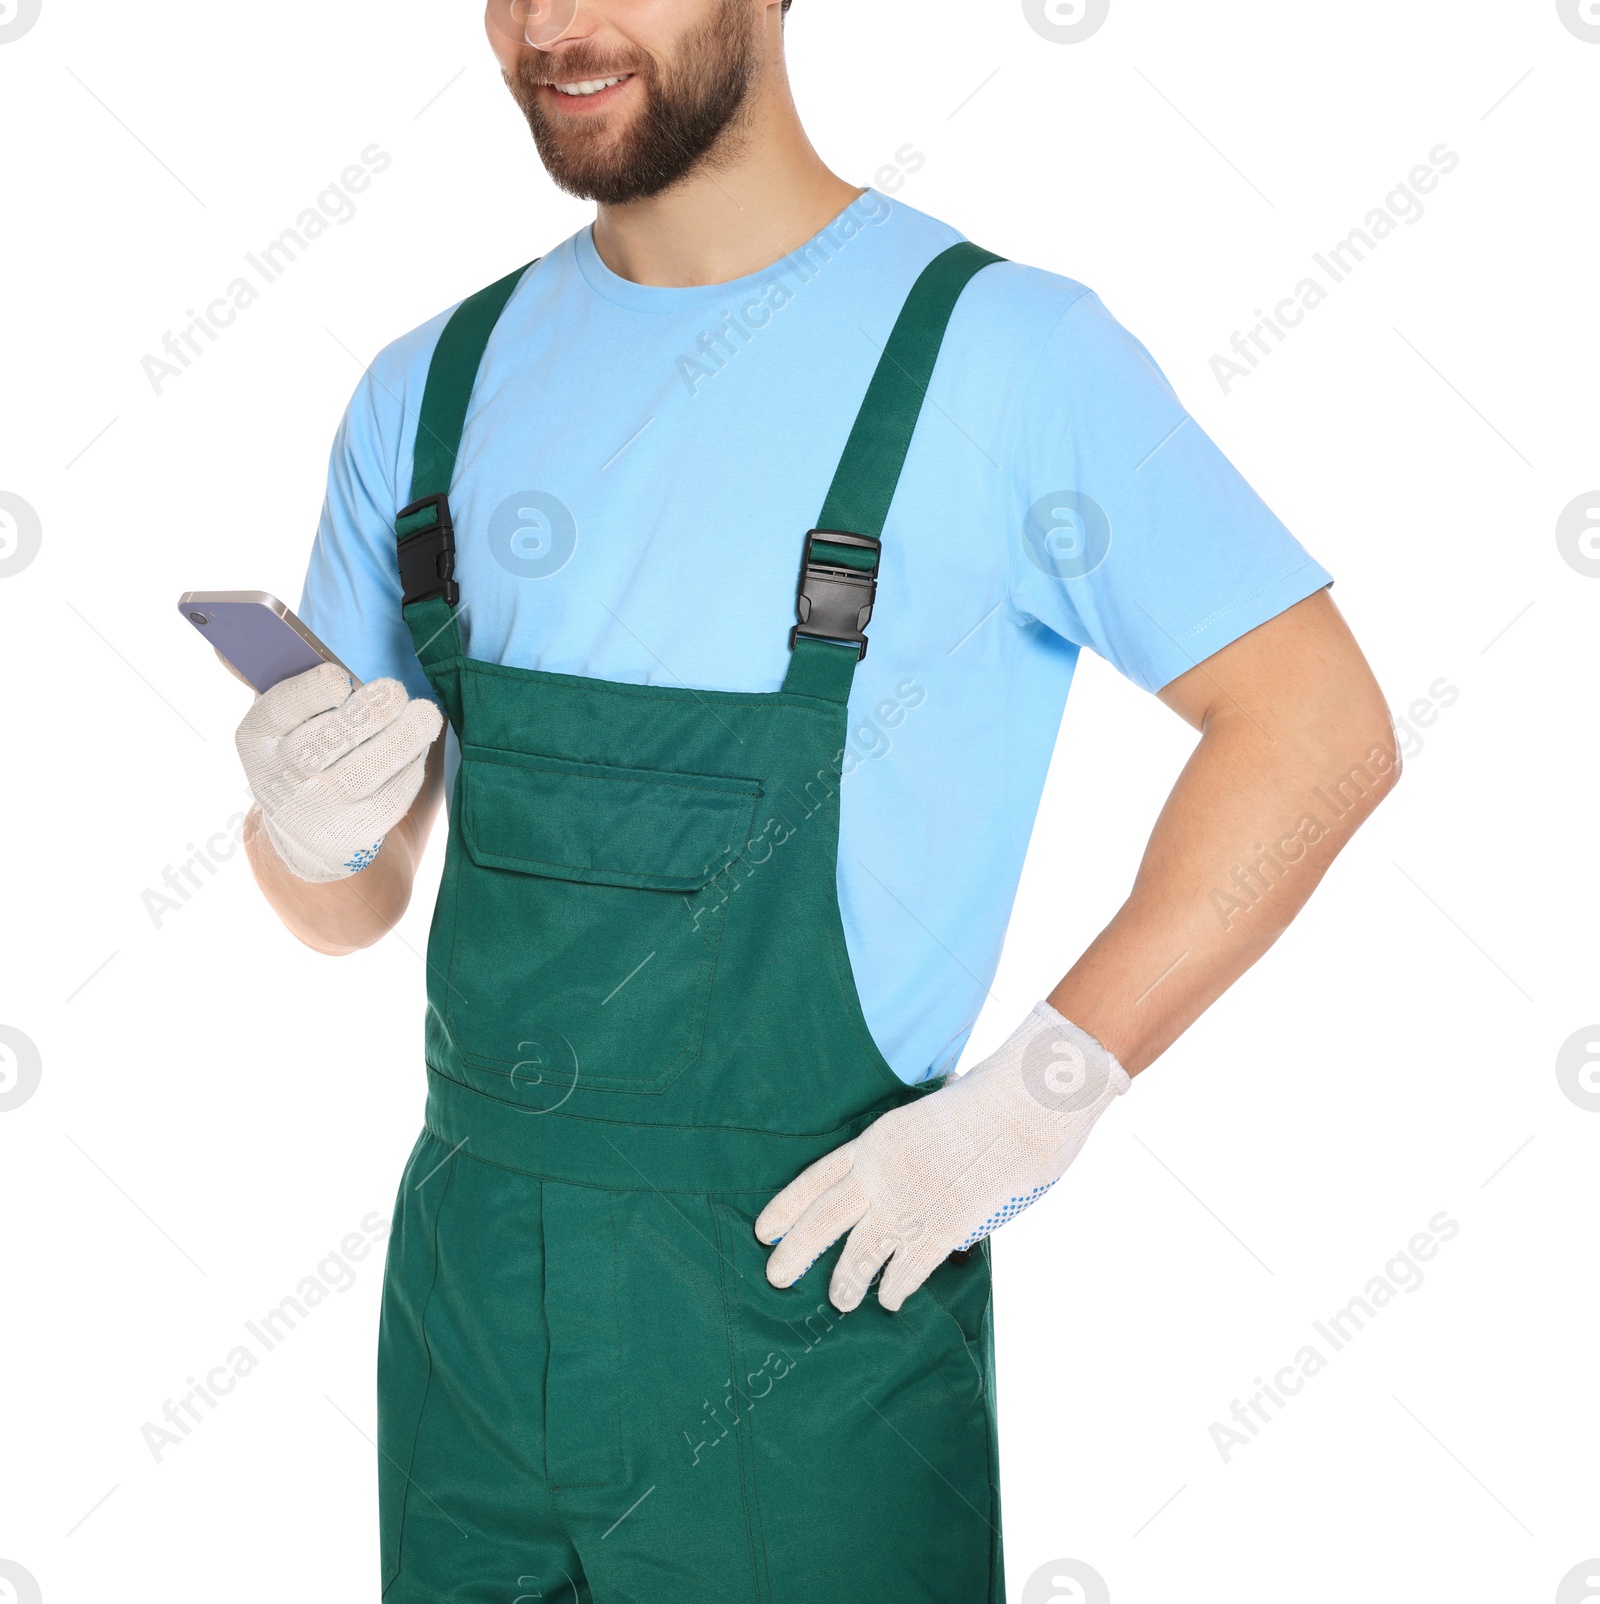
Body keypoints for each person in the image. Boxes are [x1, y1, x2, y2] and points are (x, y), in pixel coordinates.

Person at [235, 1, 1398, 1598]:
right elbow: (351, 906)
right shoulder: (427, 388)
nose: (555, 27)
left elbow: (1316, 726)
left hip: (809, 1305)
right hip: (471, 1319)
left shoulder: (1005, 357)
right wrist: (300, 831)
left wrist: (1035, 1102)